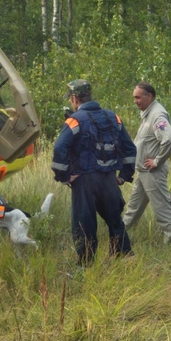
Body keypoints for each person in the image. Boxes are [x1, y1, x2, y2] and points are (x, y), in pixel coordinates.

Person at [51, 79, 137, 265]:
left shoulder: (75, 120)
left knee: (84, 225)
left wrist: (64, 176)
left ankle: (86, 266)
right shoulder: (113, 117)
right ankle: (125, 261)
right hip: (109, 180)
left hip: (84, 180)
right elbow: (130, 148)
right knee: (115, 222)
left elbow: (59, 148)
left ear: (74, 98)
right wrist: (124, 176)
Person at [123, 82, 171, 243]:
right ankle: (119, 238)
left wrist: (157, 161)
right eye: (134, 97)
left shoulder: (157, 114)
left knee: (163, 211)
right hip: (143, 171)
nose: (135, 101)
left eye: (138, 97)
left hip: (152, 172)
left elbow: (169, 139)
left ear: (149, 96)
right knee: (133, 209)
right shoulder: (148, 113)